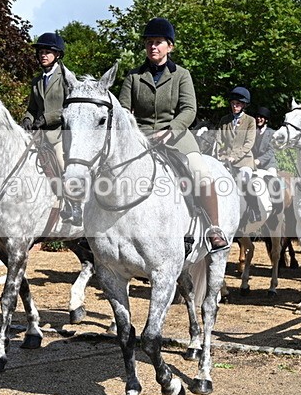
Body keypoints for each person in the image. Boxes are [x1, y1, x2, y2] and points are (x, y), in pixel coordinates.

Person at [119, 17, 229, 250]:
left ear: (170, 46)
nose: (153, 47)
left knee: (200, 171)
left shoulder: (182, 75)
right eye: (149, 42)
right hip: (141, 137)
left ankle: (213, 227)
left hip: (177, 135)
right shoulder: (133, 76)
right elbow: (122, 111)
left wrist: (171, 129)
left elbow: (189, 109)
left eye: (158, 42)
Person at [22, 32, 82, 225]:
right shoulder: (37, 81)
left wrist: (46, 118)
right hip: (39, 136)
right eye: (41, 52)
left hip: (59, 135)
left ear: (57, 55)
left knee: (62, 164)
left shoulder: (66, 78)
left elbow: (70, 107)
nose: (43, 55)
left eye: (48, 52)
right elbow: (32, 108)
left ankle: (75, 206)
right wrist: (27, 119)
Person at [217, 87, 259, 223]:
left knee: (244, 180)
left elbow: (248, 144)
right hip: (225, 159)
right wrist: (219, 155)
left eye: (239, 104)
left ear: (244, 105)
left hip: (244, 161)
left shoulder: (250, 121)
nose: (235, 106)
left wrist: (234, 156)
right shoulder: (224, 120)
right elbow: (218, 140)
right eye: (233, 103)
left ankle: (255, 210)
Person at [252, 107, 278, 176]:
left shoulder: (272, 133)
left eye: (261, 117)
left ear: (266, 120)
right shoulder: (252, 132)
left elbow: (271, 151)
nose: (258, 119)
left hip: (268, 165)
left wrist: (259, 160)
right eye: (257, 117)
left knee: (273, 180)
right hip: (253, 163)